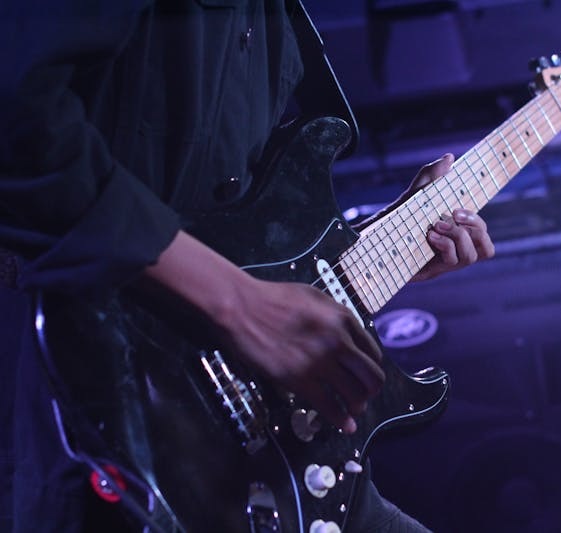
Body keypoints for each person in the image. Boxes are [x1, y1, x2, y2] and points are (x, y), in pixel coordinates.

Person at [0, 1, 495, 531]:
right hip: (107, 412)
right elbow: (18, 121)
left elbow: (239, 228)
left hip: (265, 452)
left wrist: (383, 244)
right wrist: (235, 303)